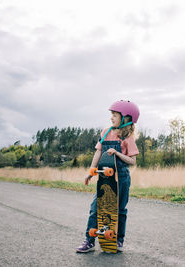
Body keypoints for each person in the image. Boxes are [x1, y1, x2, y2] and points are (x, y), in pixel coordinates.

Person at [76, 100, 140, 253]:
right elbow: (98, 151)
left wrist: (118, 153)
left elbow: (132, 160)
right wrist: (91, 172)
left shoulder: (128, 137)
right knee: (96, 208)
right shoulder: (106, 132)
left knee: (119, 209)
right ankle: (90, 240)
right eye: (111, 115)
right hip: (104, 178)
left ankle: (118, 240)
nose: (111, 118)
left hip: (122, 177)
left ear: (125, 118)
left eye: (114, 115)